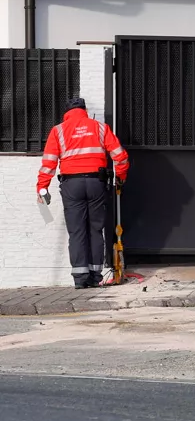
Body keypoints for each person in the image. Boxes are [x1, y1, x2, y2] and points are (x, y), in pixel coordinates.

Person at [36, 98, 130, 289]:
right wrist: (120, 177)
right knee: (95, 230)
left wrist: (42, 187)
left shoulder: (58, 131)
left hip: (72, 185)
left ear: (67, 112)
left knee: (77, 231)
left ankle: (80, 278)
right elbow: (120, 156)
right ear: (85, 110)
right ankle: (95, 276)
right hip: (97, 183)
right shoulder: (100, 128)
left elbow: (49, 163)